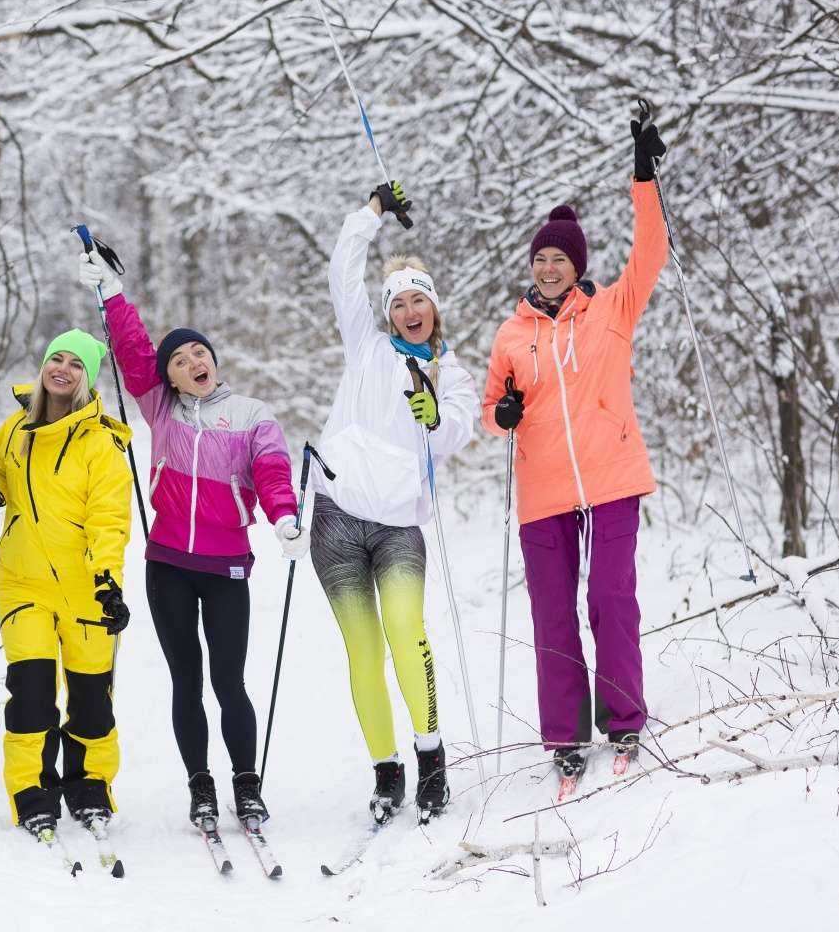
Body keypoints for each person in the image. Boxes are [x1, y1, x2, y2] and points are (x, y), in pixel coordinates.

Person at [78, 250, 302, 828]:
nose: (192, 361)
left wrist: (284, 516)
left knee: (229, 680)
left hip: (227, 567)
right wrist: (111, 294)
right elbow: (132, 351)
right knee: (187, 680)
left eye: (199, 352)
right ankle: (200, 785)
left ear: (213, 361)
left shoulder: (251, 413)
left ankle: (246, 784)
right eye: (179, 359)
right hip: (169, 565)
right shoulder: (161, 409)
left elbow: (272, 470)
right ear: (170, 376)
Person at [480, 119, 669, 782]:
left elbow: (651, 251)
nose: (549, 267)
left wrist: (644, 180)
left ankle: (623, 719)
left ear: (578, 266)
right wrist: (502, 414)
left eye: (559, 259)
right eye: (541, 259)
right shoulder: (511, 334)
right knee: (552, 614)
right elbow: (491, 412)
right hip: (544, 490)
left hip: (612, 476)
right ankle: (564, 735)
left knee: (610, 600)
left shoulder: (613, 308)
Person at [311, 181, 479, 821]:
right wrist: (372, 213)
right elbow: (342, 272)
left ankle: (431, 757)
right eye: (400, 302)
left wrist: (438, 417)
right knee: (363, 650)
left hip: (398, 526)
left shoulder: (449, 372)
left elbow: (460, 426)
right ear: (388, 313)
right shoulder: (368, 347)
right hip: (337, 516)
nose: (410, 310)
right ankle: (386, 771)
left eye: (419, 301)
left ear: (434, 309)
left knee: (407, 633)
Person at [0, 329, 133, 837]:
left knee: (91, 698)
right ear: (43, 367)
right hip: (23, 584)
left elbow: (109, 518)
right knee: (31, 693)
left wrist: (108, 583)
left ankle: (90, 786)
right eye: (56, 359)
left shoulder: (101, 443)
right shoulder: (16, 429)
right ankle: (31, 790)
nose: (63, 369)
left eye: (76, 364)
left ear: (88, 378)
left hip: (86, 589)